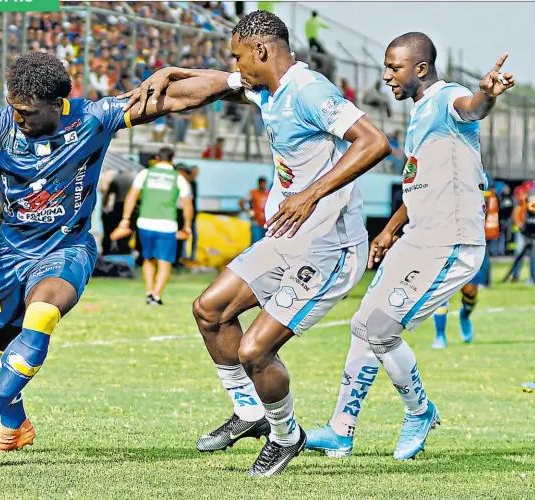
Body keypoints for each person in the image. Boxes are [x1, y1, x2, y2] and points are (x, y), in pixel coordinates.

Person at [0, 51, 235, 460]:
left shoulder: (95, 117)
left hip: (66, 246)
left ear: (57, 105)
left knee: (42, 313)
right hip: (9, 252)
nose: (19, 119)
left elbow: (177, 98)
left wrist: (236, 81)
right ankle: (16, 426)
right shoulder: (2, 122)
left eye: (27, 112)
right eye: (14, 108)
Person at [121, 10, 390, 476]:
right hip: (287, 237)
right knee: (210, 310)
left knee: (254, 351)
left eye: (238, 56)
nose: (235, 65)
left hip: (329, 247)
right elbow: (208, 86)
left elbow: (373, 141)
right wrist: (171, 75)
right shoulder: (267, 88)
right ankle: (250, 413)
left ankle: (286, 436)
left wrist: (310, 193)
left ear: (261, 51)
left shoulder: (309, 91)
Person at [305, 33, 515, 461]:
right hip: (417, 237)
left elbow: (471, 108)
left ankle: (420, 412)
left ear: (420, 68)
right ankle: (341, 430)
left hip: (450, 241)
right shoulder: (420, 113)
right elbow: (419, 180)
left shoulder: (446, 97)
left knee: (382, 330)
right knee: (362, 326)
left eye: (393, 68)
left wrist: (486, 96)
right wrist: (389, 231)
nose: (386, 76)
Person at [119, 147, 193, 305]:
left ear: (158, 158)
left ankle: (149, 291)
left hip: (144, 222)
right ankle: (156, 295)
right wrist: (187, 226)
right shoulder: (178, 178)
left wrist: (125, 218)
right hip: (167, 225)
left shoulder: (145, 173)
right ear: (172, 160)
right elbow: (187, 205)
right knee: (165, 261)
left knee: (148, 258)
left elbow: (131, 196)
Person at [431, 172, 496, 348]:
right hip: (444, 241)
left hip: (471, 241)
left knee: (470, 291)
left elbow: (486, 206)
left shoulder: (480, 174)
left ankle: (465, 316)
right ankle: (440, 335)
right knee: (441, 290)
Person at [239, 177, 269, 244]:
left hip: (266, 222)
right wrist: (249, 212)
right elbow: (241, 203)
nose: (263, 185)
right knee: (256, 242)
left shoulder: (268, 193)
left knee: (265, 243)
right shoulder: (253, 193)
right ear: (259, 184)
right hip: (256, 222)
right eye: (262, 184)